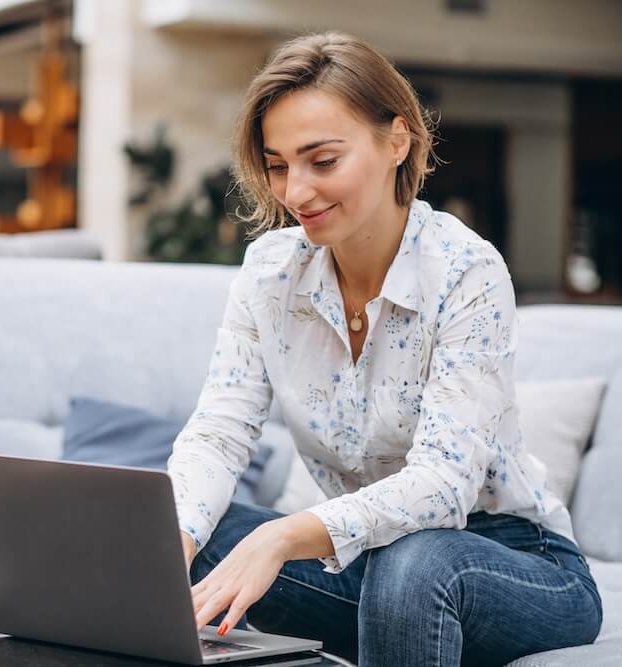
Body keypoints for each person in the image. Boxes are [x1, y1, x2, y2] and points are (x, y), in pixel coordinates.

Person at [166, 32, 603, 666]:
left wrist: (284, 536)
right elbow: (218, 432)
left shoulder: (466, 271)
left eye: (322, 160)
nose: (294, 192)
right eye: (278, 164)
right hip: (368, 565)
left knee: (414, 563)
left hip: (515, 563)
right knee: (202, 540)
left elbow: (443, 486)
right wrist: (171, 541)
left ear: (397, 141)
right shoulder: (268, 273)